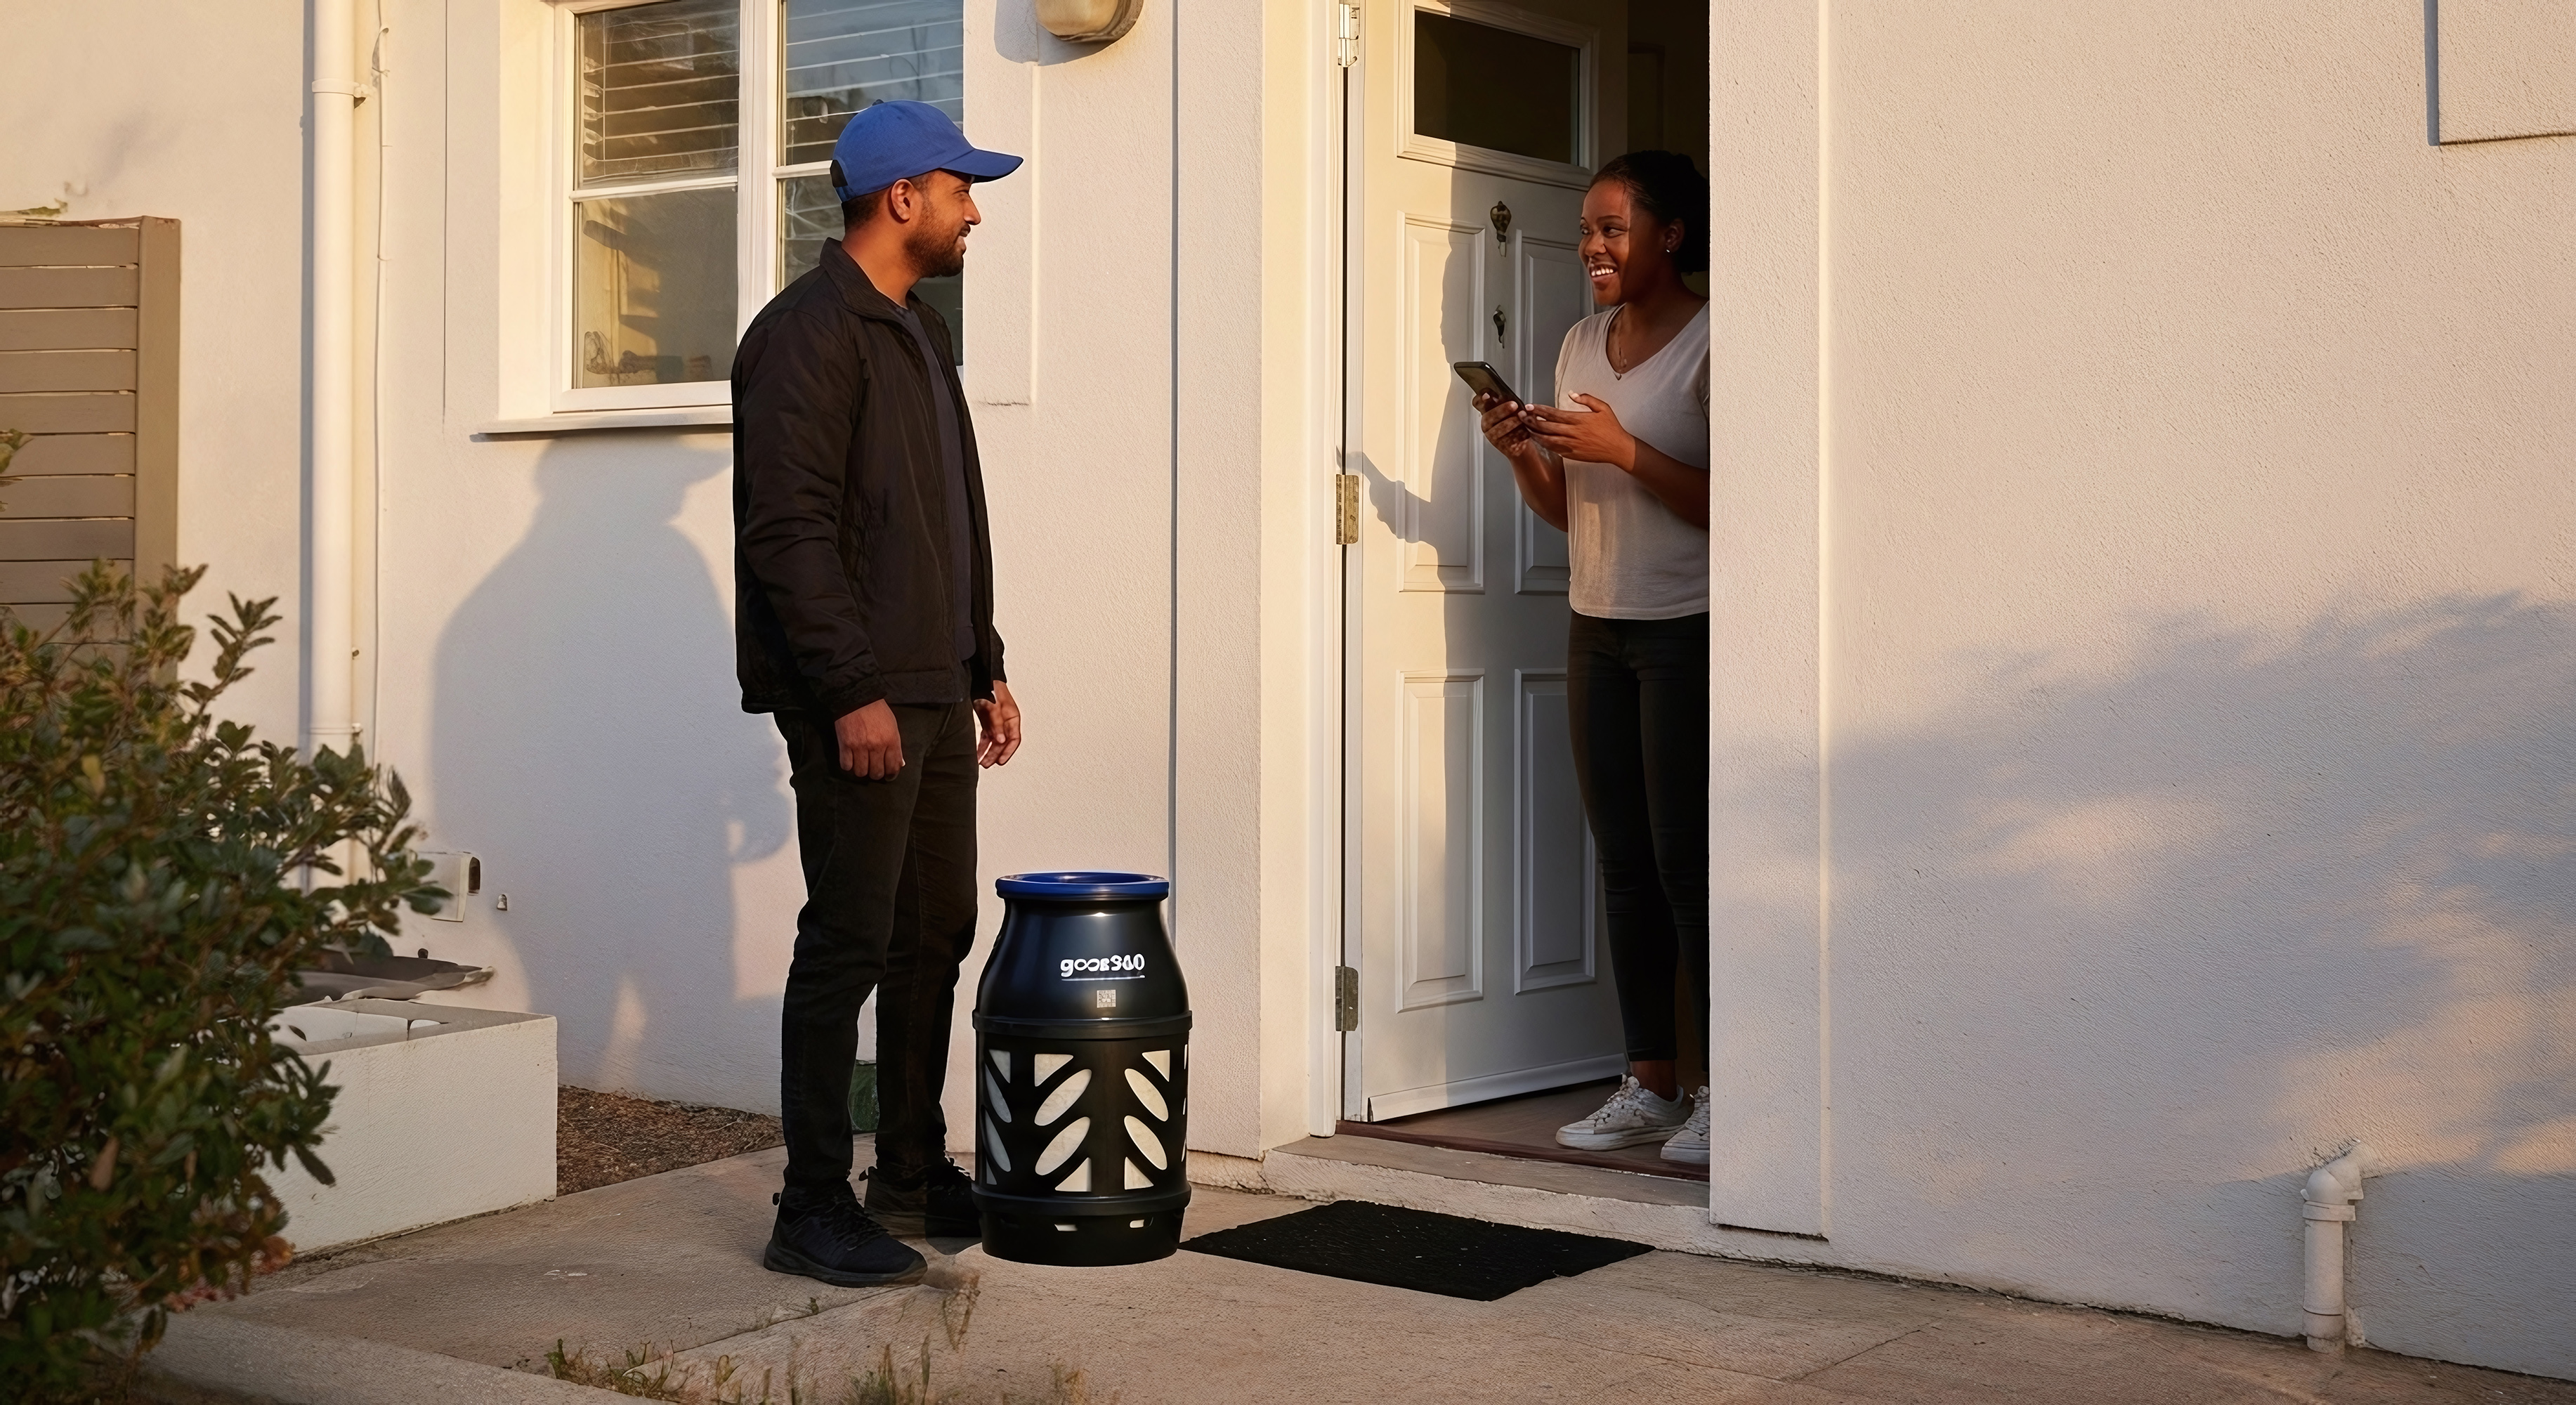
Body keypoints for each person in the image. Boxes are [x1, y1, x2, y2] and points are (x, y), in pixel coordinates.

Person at [732, 100, 1026, 1286]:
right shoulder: (806, 334)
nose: (974, 213)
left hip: (930, 680)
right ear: (903, 197)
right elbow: (788, 530)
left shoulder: (921, 329)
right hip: (857, 694)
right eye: (964, 189)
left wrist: (983, 659)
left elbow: (949, 502)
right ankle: (810, 1203)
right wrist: (849, 689)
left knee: (933, 933)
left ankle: (907, 1170)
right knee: (848, 939)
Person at [1477, 151, 1713, 1166]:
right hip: (1597, 621)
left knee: (1687, 865)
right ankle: (1649, 1083)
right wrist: (1523, 450)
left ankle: (1731, 1088)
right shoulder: (1579, 342)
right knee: (1623, 865)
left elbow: (1739, 505)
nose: (1592, 247)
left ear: (1671, 235)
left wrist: (1626, 452)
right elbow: (1570, 512)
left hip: (1687, 627)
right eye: (1586, 231)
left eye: (1614, 229)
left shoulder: (1716, 340)